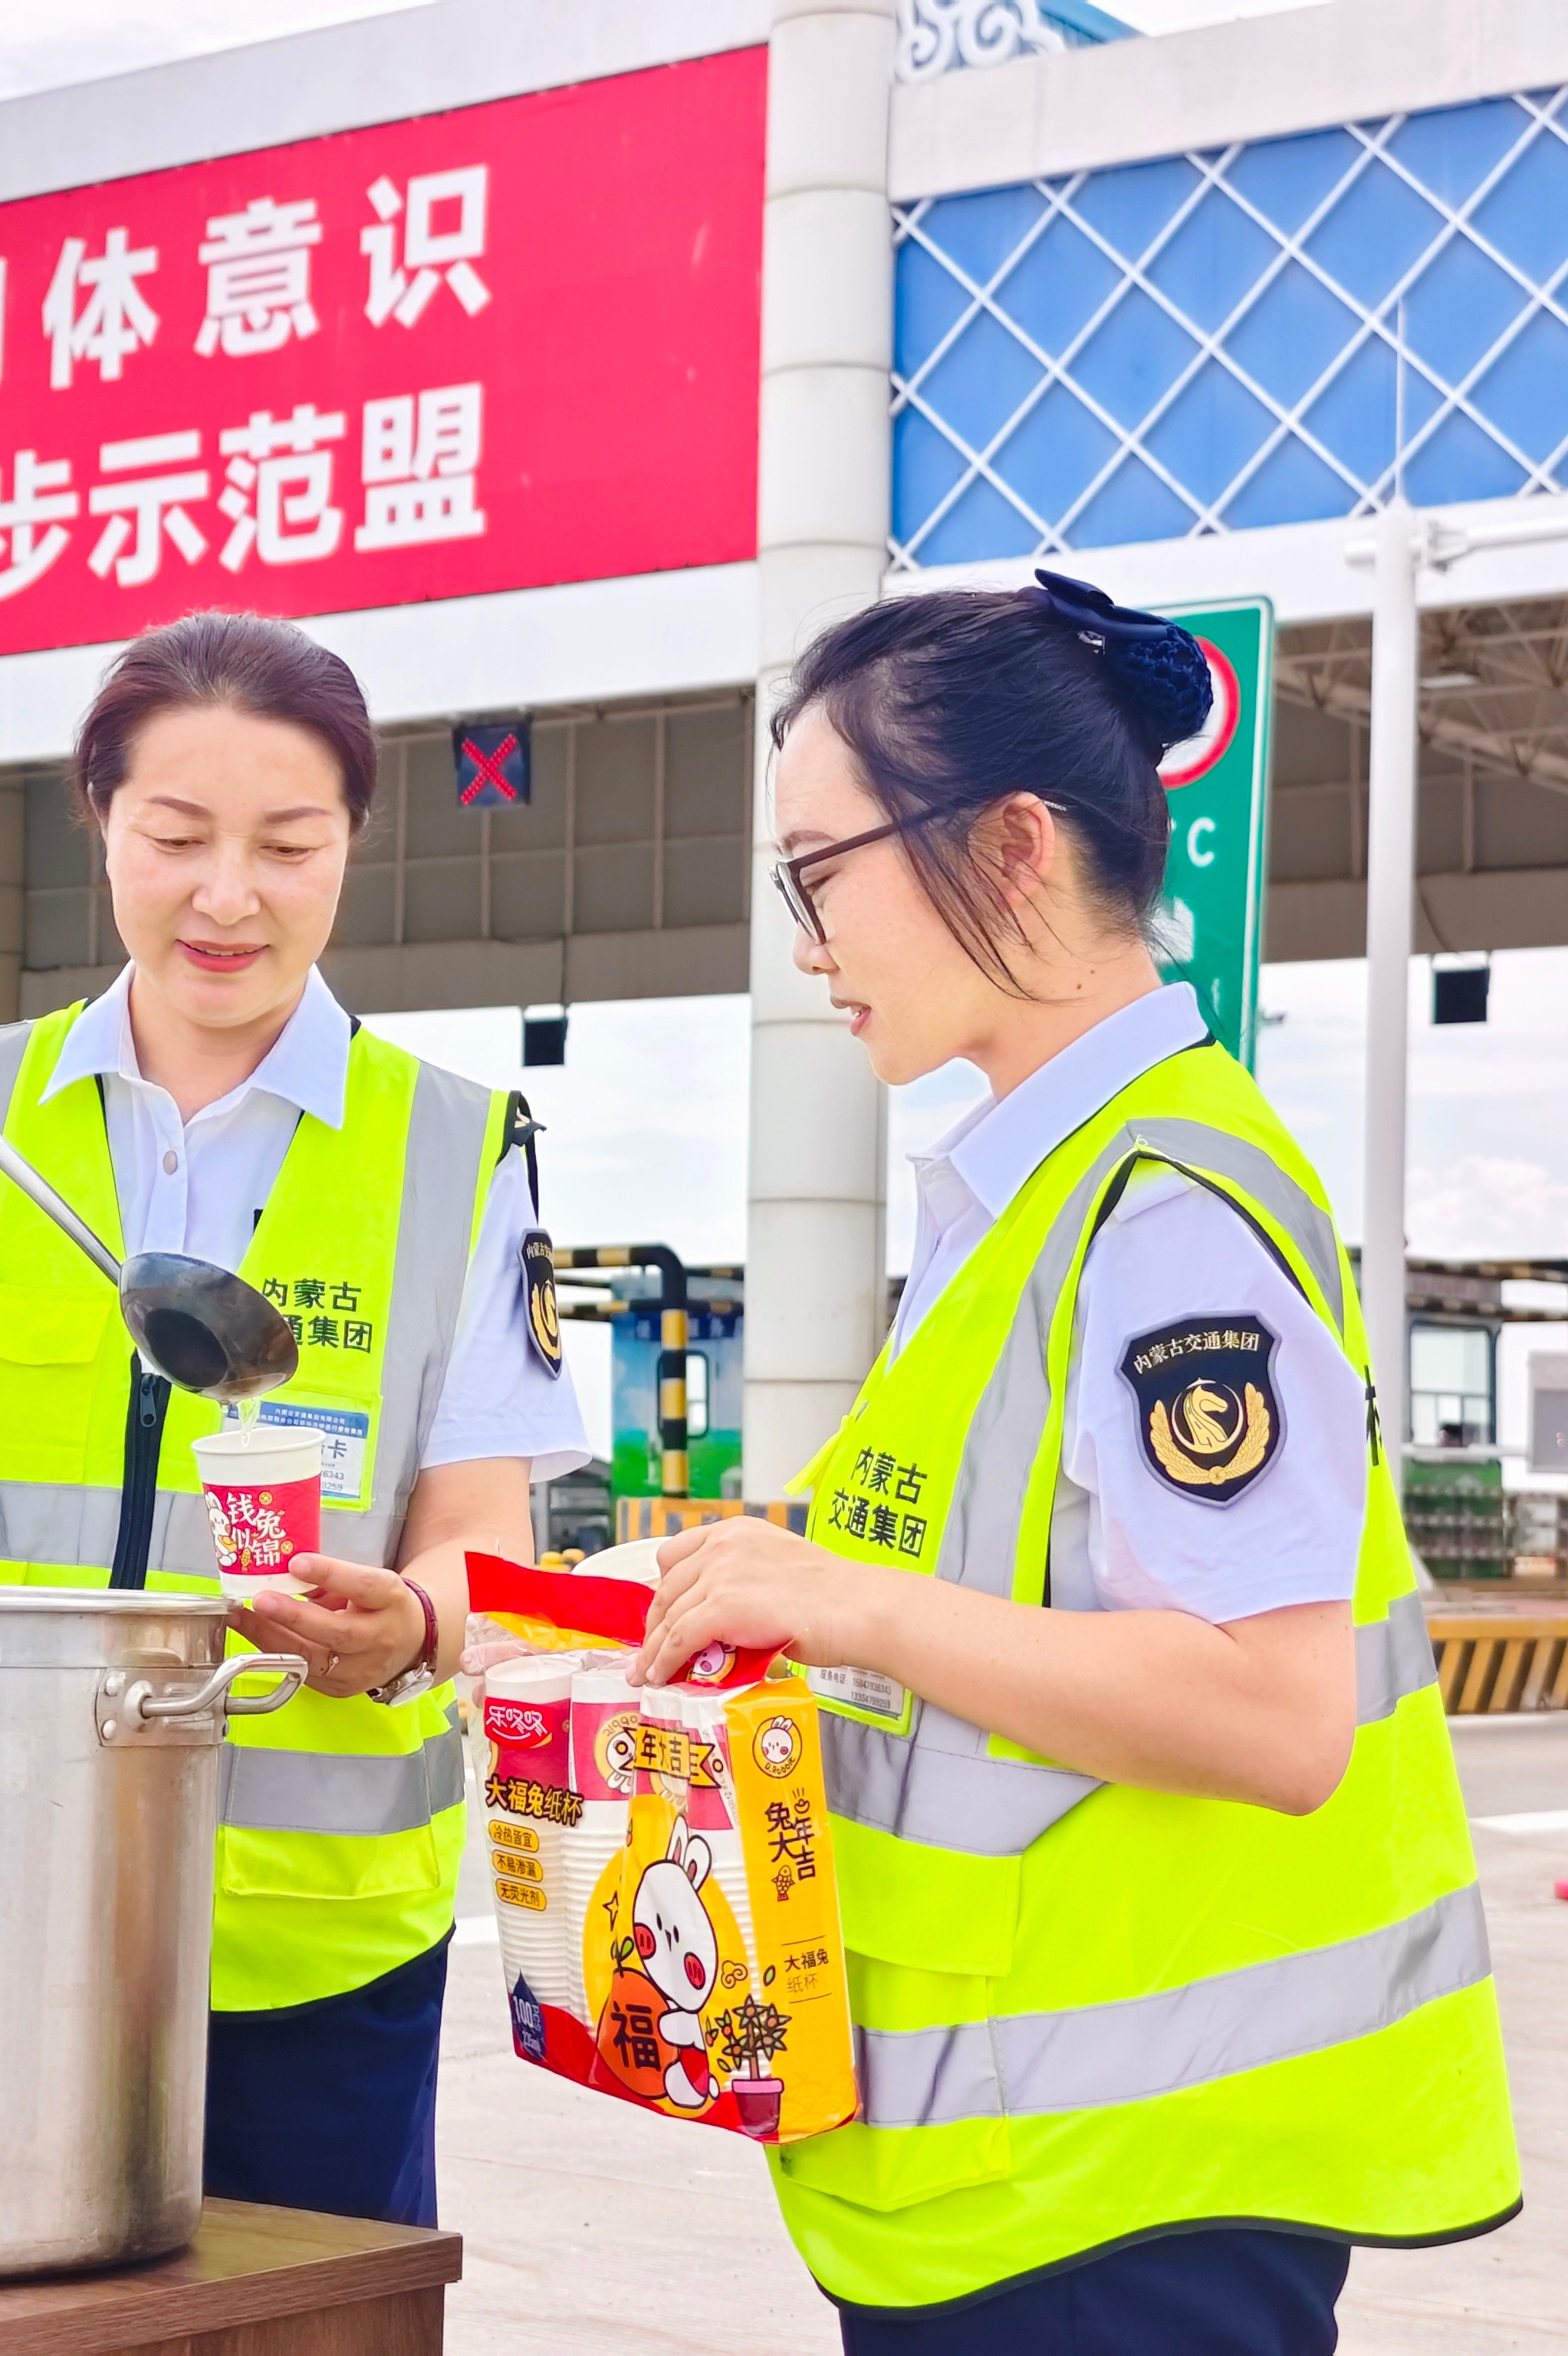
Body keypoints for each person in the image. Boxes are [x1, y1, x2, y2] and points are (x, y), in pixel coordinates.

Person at [633, 574, 1520, 2354]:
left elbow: (1270, 1714)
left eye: (819, 873)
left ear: (1013, 843)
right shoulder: (1031, 1190)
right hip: (1010, 2176)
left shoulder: (1161, 1210)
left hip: (1130, 2201)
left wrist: (845, 1605)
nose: (806, 942)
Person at [0, 610, 583, 2229]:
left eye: (287, 846)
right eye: (175, 837)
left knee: (293, 2331)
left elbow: (482, 1541)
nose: (227, 896)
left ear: (351, 849)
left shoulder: (455, 1147)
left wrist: (415, 1625)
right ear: (100, 824)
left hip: (312, 1961)